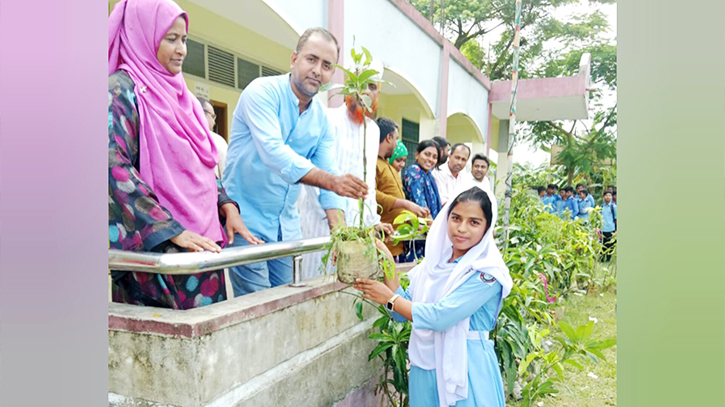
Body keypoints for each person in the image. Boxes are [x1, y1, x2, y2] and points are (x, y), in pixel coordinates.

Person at [108, 0, 261, 309]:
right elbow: (112, 167)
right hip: (160, 254)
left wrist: (226, 205)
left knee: (209, 341)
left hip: (202, 247)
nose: (181, 50)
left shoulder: (184, 98)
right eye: (170, 38)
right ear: (143, 36)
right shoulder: (120, 91)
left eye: (184, 39)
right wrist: (171, 229)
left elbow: (202, 160)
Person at [223, 27, 368, 296]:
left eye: (326, 65)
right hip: (247, 223)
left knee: (287, 303)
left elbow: (329, 173)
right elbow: (274, 153)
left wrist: (341, 236)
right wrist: (333, 182)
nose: (317, 70)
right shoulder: (262, 92)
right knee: (257, 309)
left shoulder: (321, 120)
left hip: (287, 231)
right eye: (311, 59)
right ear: (294, 59)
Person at [354, 185, 512, 407]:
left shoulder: (487, 273)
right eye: (456, 218)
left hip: (466, 368)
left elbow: (441, 317)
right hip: (425, 366)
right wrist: (386, 260)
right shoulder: (433, 265)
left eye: (474, 222)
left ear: (487, 228)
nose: (462, 228)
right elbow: (401, 314)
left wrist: (390, 299)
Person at [298, 60, 393, 277]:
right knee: (316, 287)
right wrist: (339, 229)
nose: (365, 93)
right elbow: (313, 179)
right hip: (320, 226)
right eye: (360, 85)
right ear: (348, 87)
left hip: (358, 235)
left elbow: (368, 184)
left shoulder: (373, 130)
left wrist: (372, 222)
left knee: (350, 291)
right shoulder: (327, 119)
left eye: (372, 87)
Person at [375, 117, 430, 257]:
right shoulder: (372, 163)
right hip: (384, 242)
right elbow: (371, 194)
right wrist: (405, 204)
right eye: (396, 138)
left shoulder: (388, 165)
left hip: (398, 242)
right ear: (389, 138)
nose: (396, 143)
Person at [402, 140, 442, 262]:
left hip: (429, 230)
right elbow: (420, 206)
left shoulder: (429, 175)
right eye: (427, 154)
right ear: (417, 155)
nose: (430, 159)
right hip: (418, 230)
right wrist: (436, 229)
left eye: (435, 157)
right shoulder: (414, 172)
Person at [197, 97, 228, 180]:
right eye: (213, 116)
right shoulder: (218, 141)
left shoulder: (182, 136)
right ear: (203, 113)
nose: (214, 122)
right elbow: (227, 176)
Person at [601, 190, 617, 261]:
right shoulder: (601, 207)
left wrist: (616, 230)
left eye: (609, 195)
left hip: (611, 228)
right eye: (606, 195)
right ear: (604, 197)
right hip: (603, 228)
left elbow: (616, 219)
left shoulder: (613, 207)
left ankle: (608, 259)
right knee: (602, 244)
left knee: (610, 245)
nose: (608, 197)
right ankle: (601, 257)